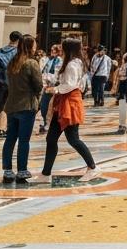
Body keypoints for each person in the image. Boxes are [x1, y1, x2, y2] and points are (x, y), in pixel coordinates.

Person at [41, 37, 100, 183]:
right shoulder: (71, 63)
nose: (60, 50)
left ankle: (93, 168)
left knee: (73, 139)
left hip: (70, 102)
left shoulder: (73, 64)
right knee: (51, 138)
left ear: (68, 49)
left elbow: (70, 84)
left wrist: (53, 90)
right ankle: (45, 173)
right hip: (64, 102)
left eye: (62, 47)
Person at [1, 34, 43, 185]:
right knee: (24, 140)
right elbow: (39, 85)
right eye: (34, 44)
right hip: (27, 105)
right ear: (30, 46)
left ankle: (7, 170)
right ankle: (22, 171)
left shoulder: (12, 62)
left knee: (10, 138)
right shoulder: (31, 63)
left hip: (11, 105)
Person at [0, 31, 20, 140]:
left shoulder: (0, 51)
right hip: (10, 83)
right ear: (19, 41)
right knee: (6, 107)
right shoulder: (17, 52)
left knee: (0, 106)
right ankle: (0, 130)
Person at [39, 44, 63, 135]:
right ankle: (46, 123)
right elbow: (43, 72)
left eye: (55, 50)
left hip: (54, 87)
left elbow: (57, 74)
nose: (53, 52)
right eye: (52, 50)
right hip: (46, 87)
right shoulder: (47, 60)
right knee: (44, 106)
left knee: (51, 107)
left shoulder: (60, 61)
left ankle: (49, 125)